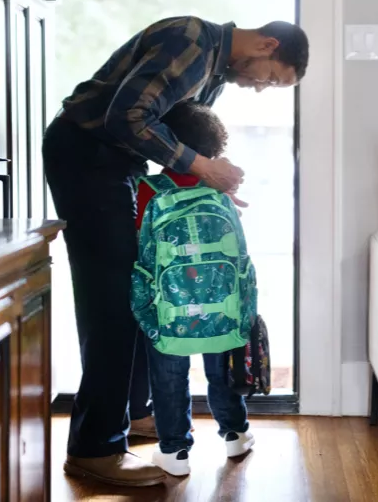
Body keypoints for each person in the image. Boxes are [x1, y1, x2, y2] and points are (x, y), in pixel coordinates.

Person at [43, 16, 308, 487]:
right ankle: (94, 448)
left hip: (117, 164)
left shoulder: (215, 71)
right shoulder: (191, 42)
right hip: (86, 159)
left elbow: (179, 136)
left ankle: (135, 414)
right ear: (267, 45)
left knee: (143, 287)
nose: (261, 88)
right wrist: (204, 168)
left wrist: (209, 190)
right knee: (111, 299)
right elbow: (125, 117)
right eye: (270, 78)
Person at [133, 101, 254, 476]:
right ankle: (235, 434)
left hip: (170, 311)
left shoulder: (149, 188)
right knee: (222, 371)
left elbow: (139, 245)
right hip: (222, 309)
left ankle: (175, 453)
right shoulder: (218, 190)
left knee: (169, 376)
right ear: (214, 149)